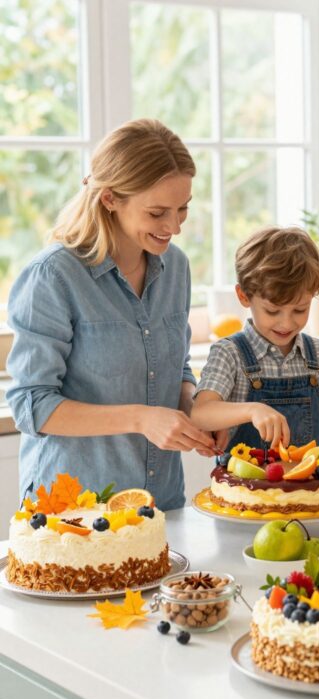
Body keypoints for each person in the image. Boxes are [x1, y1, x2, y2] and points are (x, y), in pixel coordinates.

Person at [6, 118, 215, 510]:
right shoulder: (54, 276)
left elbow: (175, 369)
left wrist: (199, 410)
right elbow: (32, 404)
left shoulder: (177, 269)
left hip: (160, 504)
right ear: (109, 199)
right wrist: (142, 419)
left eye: (182, 209)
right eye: (157, 213)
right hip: (75, 512)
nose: (174, 227)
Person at [191, 227, 319, 453]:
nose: (286, 323)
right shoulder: (229, 353)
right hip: (244, 487)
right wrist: (252, 410)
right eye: (273, 311)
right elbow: (200, 413)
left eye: (300, 309)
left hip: (309, 487)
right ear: (244, 296)